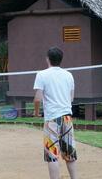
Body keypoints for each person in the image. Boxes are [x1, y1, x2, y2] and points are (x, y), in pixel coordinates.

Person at [33, 47, 77, 179]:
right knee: (70, 153)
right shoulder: (69, 75)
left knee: (52, 155)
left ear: (48, 59)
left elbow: (37, 98)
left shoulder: (42, 74)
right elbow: (71, 98)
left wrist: (36, 113)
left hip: (52, 119)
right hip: (67, 118)